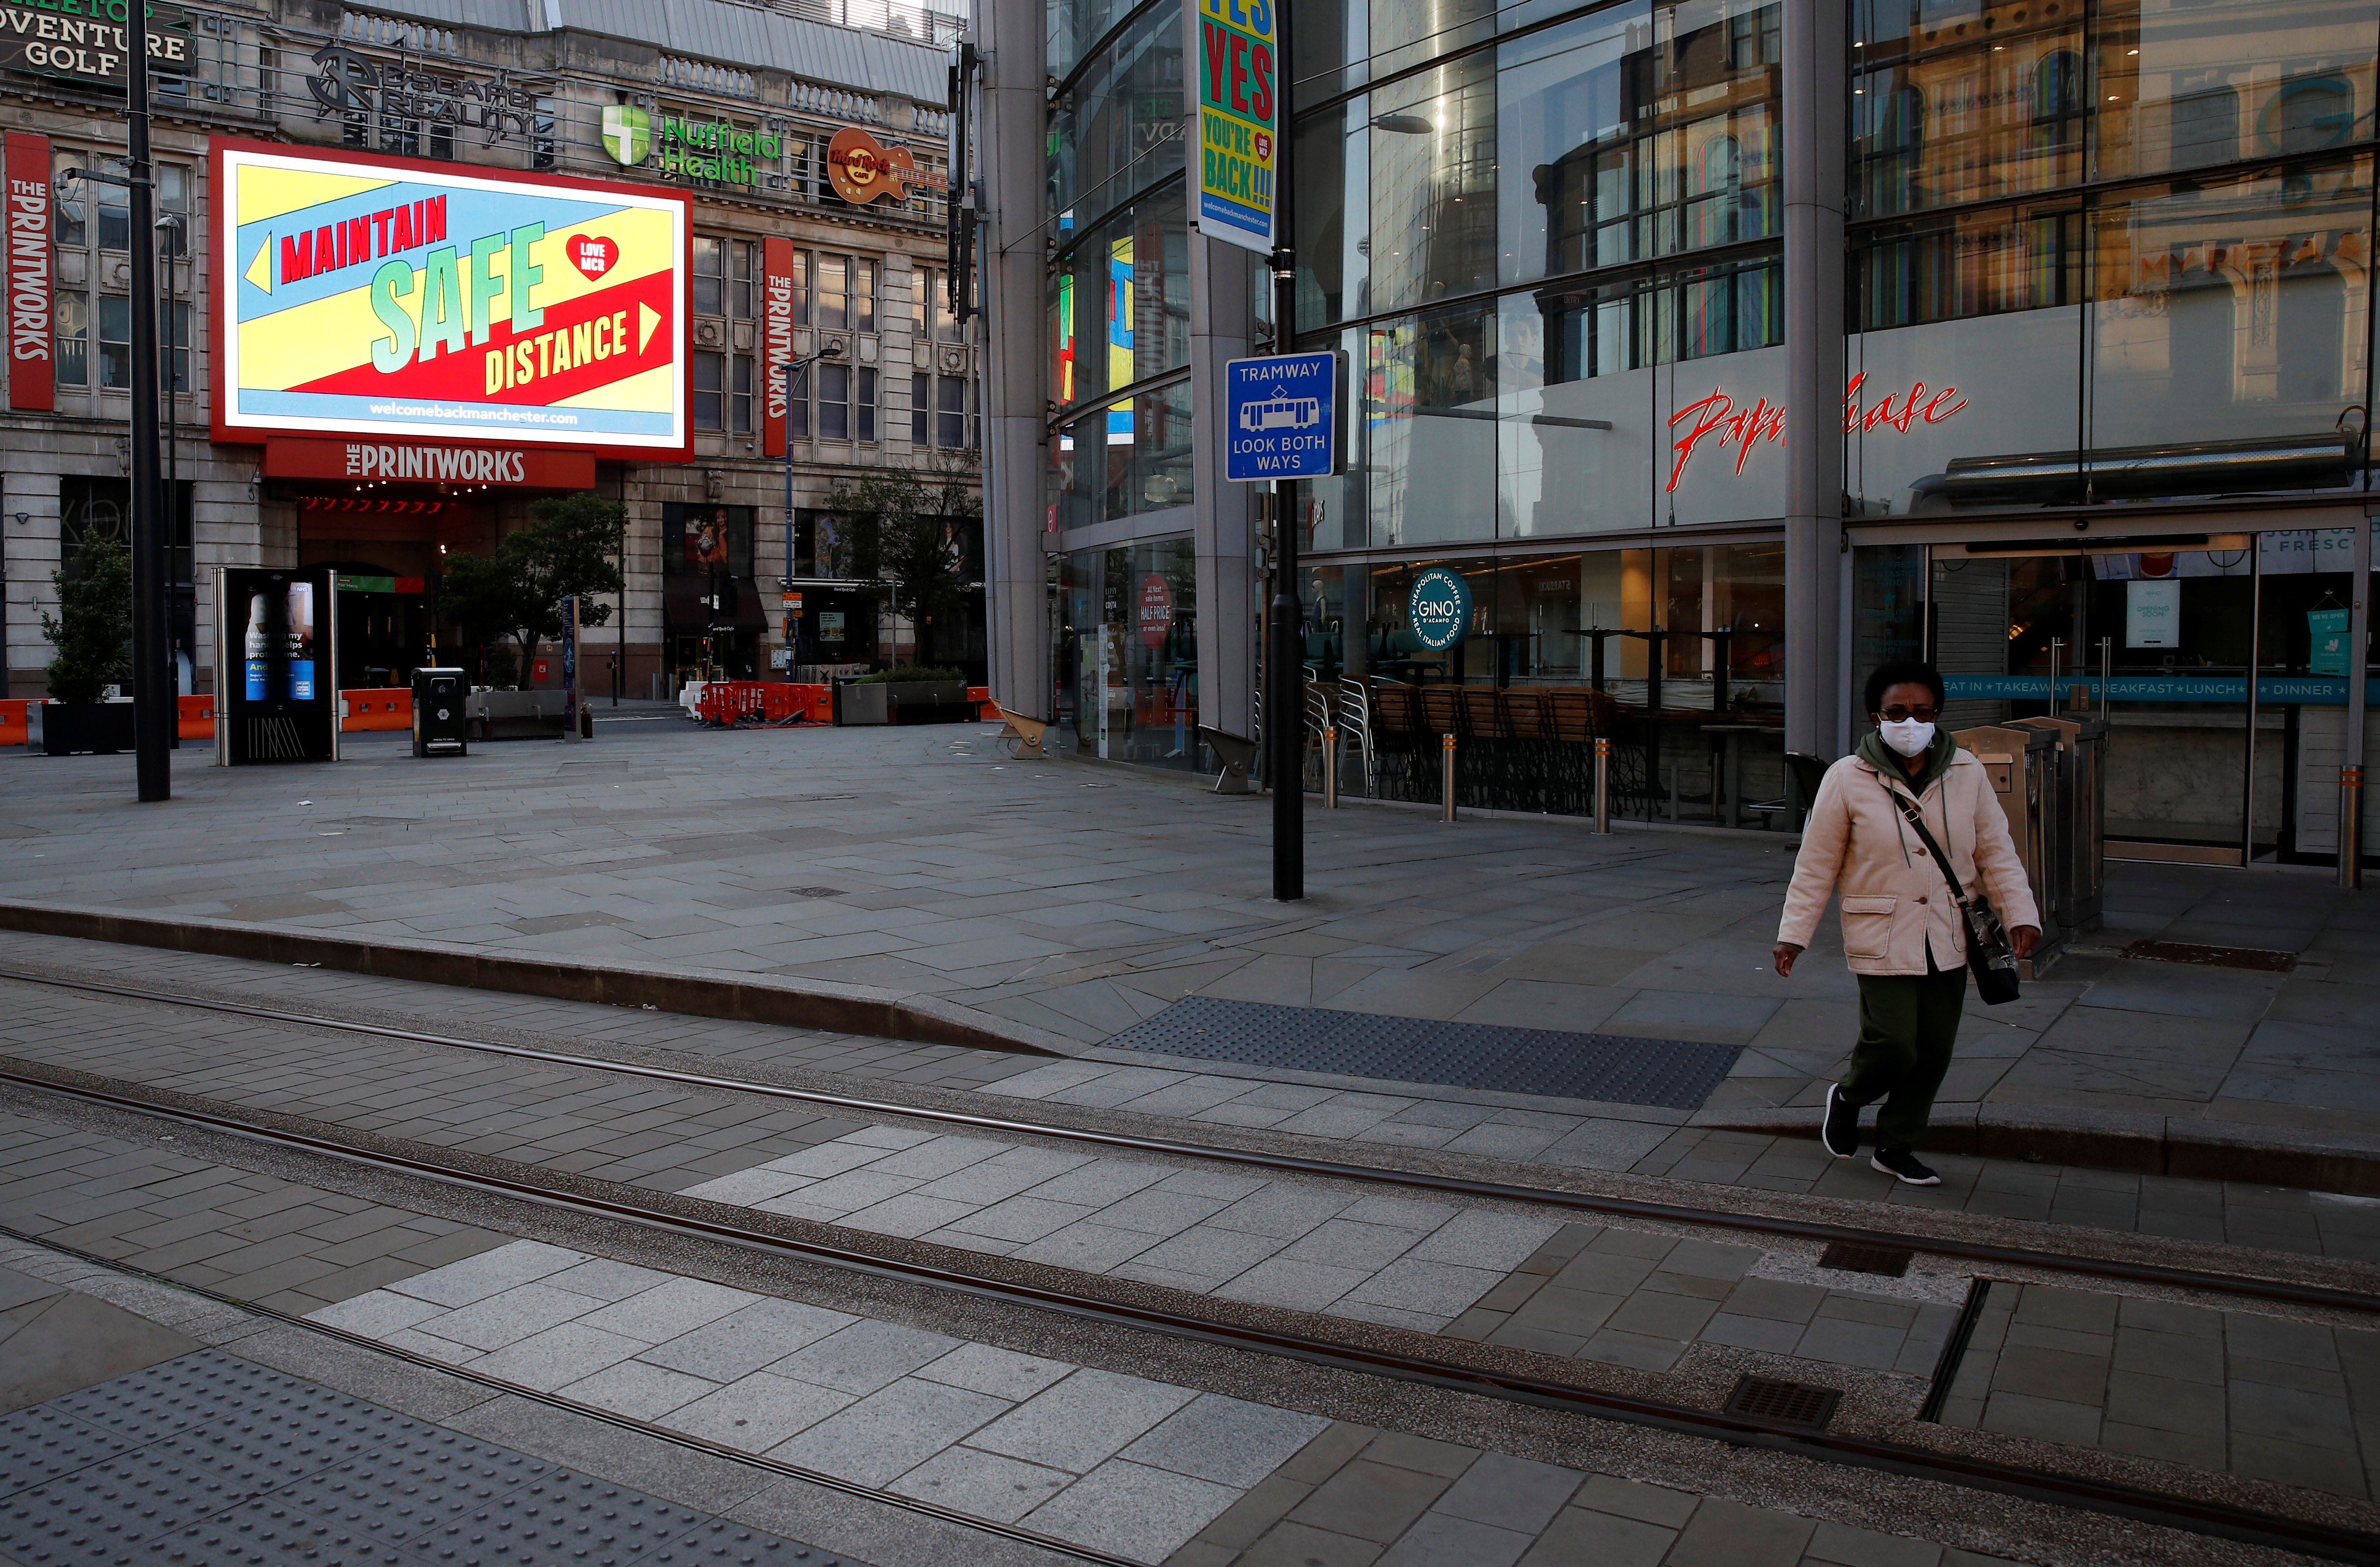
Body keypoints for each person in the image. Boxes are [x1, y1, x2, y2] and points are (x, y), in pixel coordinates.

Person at [1773, 661, 2040, 1186]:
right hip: (1881, 930)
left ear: (1938, 714)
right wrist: (1793, 934)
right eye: (1897, 711)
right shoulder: (1847, 776)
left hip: (1948, 931)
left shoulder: (1967, 771)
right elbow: (1816, 862)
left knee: (1934, 1049)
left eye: (1922, 711)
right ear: (1876, 715)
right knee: (1894, 1041)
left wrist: (2021, 913)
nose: (1910, 721)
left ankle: (1896, 1145)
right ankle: (1849, 1094)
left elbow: (1995, 852)